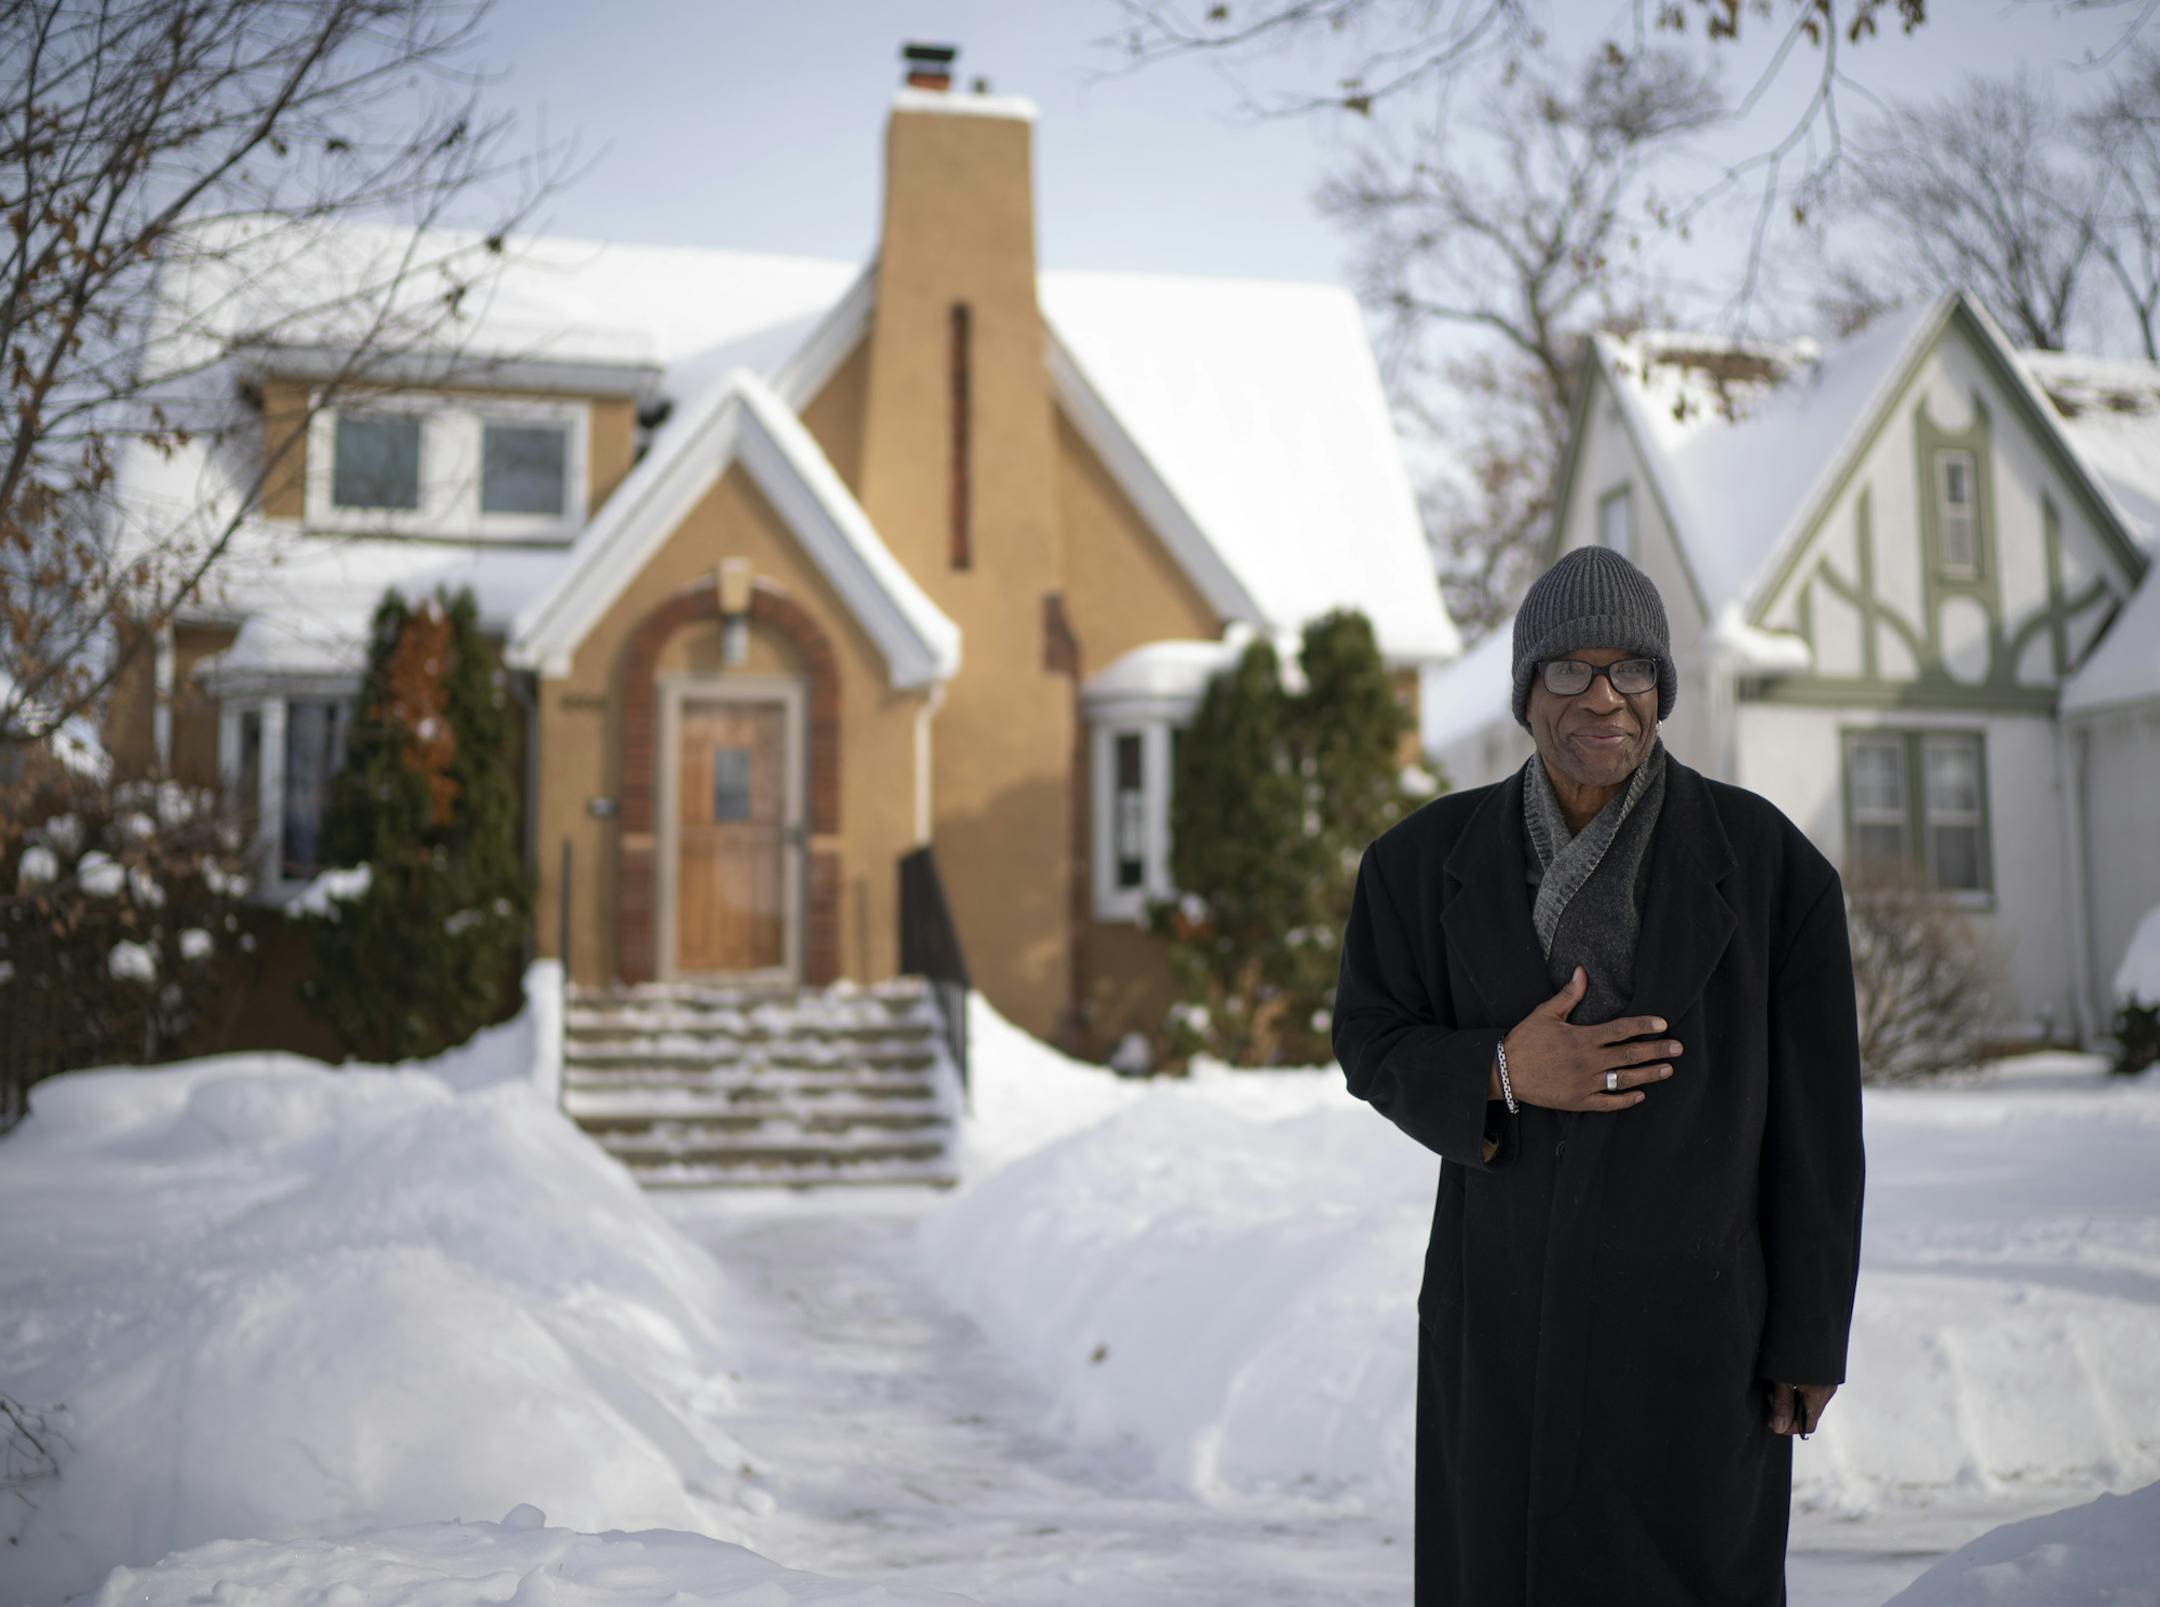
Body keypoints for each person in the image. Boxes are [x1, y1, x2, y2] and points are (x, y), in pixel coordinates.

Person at [1331, 546, 1866, 1606]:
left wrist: (1809, 1331)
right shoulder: (1416, 861)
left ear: (1663, 687)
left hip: (1698, 1329)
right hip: (1504, 1319)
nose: (1604, 695)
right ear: (1527, 690)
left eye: (1632, 668)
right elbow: (1369, 1036)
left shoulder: (1770, 868)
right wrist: (1497, 1066)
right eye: (1569, 669)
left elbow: (1817, 1123)